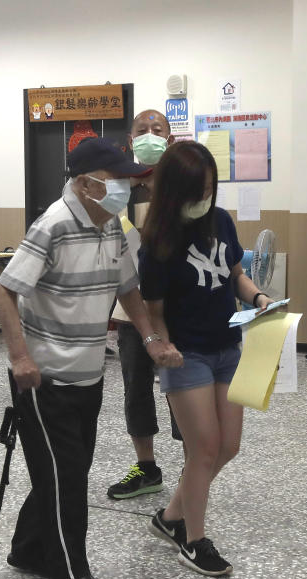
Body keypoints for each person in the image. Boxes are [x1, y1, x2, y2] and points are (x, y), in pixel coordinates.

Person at [0, 137, 182, 579]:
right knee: (67, 477)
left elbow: (129, 289)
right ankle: (68, 570)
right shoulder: (53, 226)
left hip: (89, 375)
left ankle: (27, 549)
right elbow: (4, 291)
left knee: (66, 471)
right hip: (45, 380)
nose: (125, 189)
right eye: (116, 180)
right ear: (85, 184)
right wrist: (19, 357)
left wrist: (152, 338)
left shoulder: (111, 228)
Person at [139, 141, 274, 576]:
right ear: (176, 191)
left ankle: (171, 516)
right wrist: (162, 346)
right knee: (203, 450)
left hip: (228, 347)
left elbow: (234, 272)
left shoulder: (219, 220)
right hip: (188, 356)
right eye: (197, 191)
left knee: (228, 447)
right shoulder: (157, 241)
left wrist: (257, 296)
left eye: (210, 189)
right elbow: (154, 310)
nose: (205, 199)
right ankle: (194, 542)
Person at [106, 109, 185, 501]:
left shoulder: (182, 188)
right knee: (136, 388)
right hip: (131, 309)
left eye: (158, 130)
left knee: (183, 388)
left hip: (176, 309)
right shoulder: (119, 190)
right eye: (143, 131)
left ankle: (194, 465)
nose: (150, 135)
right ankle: (147, 467)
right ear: (131, 141)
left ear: (169, 140)